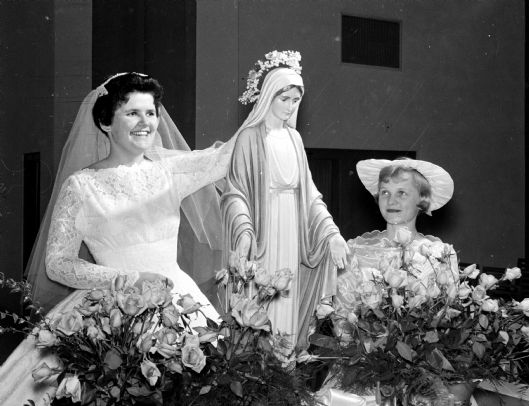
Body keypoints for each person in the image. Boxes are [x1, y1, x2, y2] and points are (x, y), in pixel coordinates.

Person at [0, 72, 234, 404]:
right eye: (132, 112)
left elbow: (229, 158)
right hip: (108, 310)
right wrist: (128, 279)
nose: (146, 122)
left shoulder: (171, 171)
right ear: (107, 122)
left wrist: (270, 105)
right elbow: (57, 264)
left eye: (151, 112)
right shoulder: (81, 186)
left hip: (179, 302)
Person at [221, 51, 348, 349]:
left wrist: (331, 233)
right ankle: (262, 362)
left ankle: (285, 361)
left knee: (287, 299)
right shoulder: (249, 138)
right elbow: (235, 192)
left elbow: (311, 195)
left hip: (293, 228)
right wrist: (244, 233)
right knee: (263, 299)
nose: (290, 106)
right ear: (268, 96)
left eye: (295, 100)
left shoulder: (295, 139)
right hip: (263, 232)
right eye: (284, 99)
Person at [335, 157, 458, 316]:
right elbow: (342, 315)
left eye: (402, 193)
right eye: (385, 192)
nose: (391, 201)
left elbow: (446, 316)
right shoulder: (355, 251)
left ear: (422, 198)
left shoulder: (441, 255)